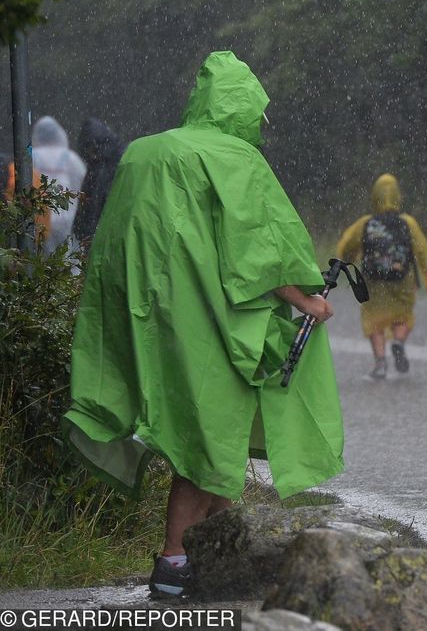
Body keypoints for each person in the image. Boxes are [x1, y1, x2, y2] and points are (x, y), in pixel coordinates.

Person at [63, 51, 345, 599]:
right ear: (243, 108)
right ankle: (174, 563)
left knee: (201, 433)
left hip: (145, 318)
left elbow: (112, 237)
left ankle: (212, 553)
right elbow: (256, 249)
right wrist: (305, 300)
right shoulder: (233, 156)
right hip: (208, 320)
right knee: (210, 438)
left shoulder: (144, 152)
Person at [336, 173, 427, 379]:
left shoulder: (365, 224)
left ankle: (380, 363)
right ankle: (398, 342)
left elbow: (346, 247)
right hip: (402, 278)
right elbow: (423, 252)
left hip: (372, 280)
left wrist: (347, 259)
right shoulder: (408, 223)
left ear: (374, 196)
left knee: (373, 319)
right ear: (398, 196)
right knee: (402, 315)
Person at [70, 117, 127, 252]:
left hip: (107, 234)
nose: (90, 154)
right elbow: (89, 201)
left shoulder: (108, 166)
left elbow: (93, 201)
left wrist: (84, 230)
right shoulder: (98, 166)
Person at [31, 115, 86, 253]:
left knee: (43, 260)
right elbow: (82, 184)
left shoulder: (32, 156)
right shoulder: (70, 157)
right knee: (68, 259)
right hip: (67, 219)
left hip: (41, 218)